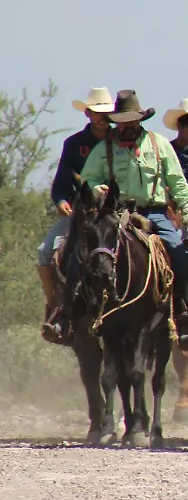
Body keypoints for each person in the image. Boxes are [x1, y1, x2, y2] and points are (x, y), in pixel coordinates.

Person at [48, 91, 188, 342]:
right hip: (116, 212)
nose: (128, 126)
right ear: (116, 122)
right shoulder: (104, 148)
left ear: (140, 120)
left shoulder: (158, 144)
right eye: (123, 121)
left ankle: (185, 317)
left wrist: (187, 207)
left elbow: (177, 182)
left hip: (154, 212)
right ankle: (67, 314)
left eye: (132, 121)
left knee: (181, 257)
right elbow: (89, 177)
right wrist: (96, 189)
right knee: (80, 252)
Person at [37, 87, 113, 332]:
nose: (103, 118)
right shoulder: (73, 145)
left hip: (112, 213)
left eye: (107, 113)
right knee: (44, 251)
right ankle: (56, 308)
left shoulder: (119, 141)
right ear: (88, 114)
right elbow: (60, 184)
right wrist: (61, 202)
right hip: (80, 214)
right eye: (98, 113)